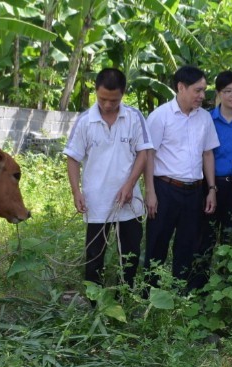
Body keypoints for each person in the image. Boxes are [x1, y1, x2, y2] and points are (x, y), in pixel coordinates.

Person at [64, 68, 153, 287]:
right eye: (102, 98)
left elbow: (144, 152)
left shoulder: (134, 117)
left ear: (123, 94)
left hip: (129, 201)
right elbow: (73, 158)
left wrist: (130, 184)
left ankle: (127, 295)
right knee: (94, 256)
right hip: (96, 202)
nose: (107, 105)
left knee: (130, 255)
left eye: (113, 100)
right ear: (96, 91)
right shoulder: (85, 121)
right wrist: (76, 192)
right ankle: (95, 301)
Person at [144, 65, 219, 293]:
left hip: (194, 191)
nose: (202, 96)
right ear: (181, 87)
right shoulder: (160, 117)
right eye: (198, 90)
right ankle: (149, 294)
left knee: (187, 245)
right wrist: (150, 192)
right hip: (165, 189)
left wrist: (212, 189)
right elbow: (149, 154)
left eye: (204, 90)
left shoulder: (205, 118)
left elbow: (208, 153)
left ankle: (180, 296)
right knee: (157, 243)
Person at [193, 71, 232, 286]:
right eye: (228, 91)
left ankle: (227, 285)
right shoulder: (206, 119)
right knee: (206, 237)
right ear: (219, 94)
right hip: (211, 186)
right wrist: (210, 187)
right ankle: (199, 284)